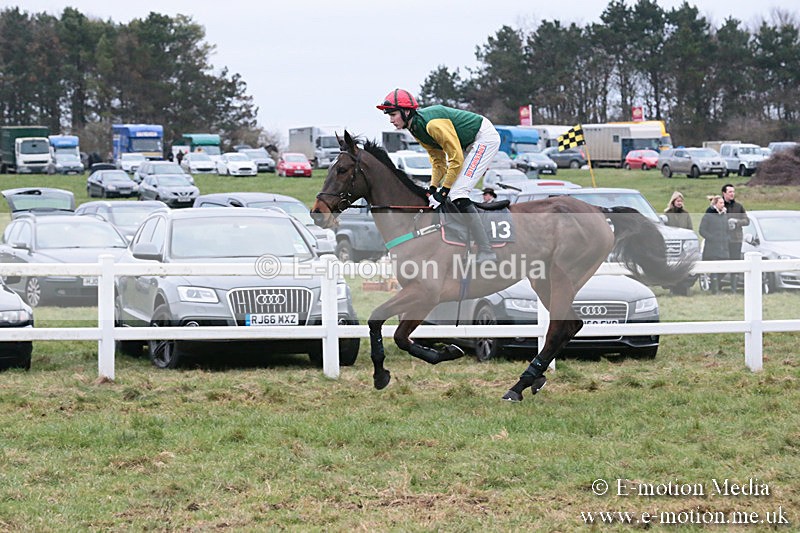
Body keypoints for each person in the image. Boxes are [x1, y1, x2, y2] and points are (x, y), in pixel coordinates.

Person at [377, 88, 500, 263]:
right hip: (468, 143)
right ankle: (465, 242)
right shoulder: (415, 128)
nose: (391, 120)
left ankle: (487, 250)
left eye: (393, 114)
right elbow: (438, 160)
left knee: (457, 193)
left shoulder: (431, 125)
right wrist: (433, 188)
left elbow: (455, 158)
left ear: (406, 111)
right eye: (389, 115)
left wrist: (442, 192)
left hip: (483, 139)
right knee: (452, 193)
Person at [698, 195, 729, 294]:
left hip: (723, 248)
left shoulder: (724, 216)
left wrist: (727, 238)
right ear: (715, 204)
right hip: (712, 248)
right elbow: (701, 230)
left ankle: (714, 284)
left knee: (725, 268)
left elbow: (726, 230)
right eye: (721, 203)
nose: (723, 204)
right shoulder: (708, 216)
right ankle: (714, 290)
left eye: (723, 203)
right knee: (715, 269)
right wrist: (711, 238)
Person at [722, 184, 749, 292]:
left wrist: (737, 222)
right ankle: (718, 284)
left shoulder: (739, 206)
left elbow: (747, 221)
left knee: (736, 261)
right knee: (723, 261)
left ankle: (734, 287)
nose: (732, 194)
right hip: (723, 240)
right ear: (724, 193)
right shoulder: (720, 206)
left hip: (736, 239)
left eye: (733, 192)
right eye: (730, 192)